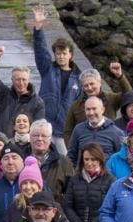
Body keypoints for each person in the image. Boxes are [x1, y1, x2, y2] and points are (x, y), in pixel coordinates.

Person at [31, 4, 80, 155]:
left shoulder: (79, 78)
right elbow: (40, 50)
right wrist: (38, 26)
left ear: (70, 54)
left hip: (63, 132)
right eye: (58, 53)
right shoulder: (48, 69)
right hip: (44, 128)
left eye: (64, 53)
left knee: (64, 165)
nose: (61, 56)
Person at [62, 65, 131, 145]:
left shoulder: (111, 99)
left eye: (92, 84)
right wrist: (73, 150)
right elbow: (68, 131)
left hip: (108, 146)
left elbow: (128, 94)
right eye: (86, 85)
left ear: (100, 82)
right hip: (85, 149)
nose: (89, 88)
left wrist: (120, 76)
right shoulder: (76, 106)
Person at [0, 48, 46, 136]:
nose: (21, 83)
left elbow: (38, 128)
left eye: (24, 79)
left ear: (28, 80)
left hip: (21, 144)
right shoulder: (5, 95)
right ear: (12, 80)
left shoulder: (38, 103)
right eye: (17, 79)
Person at [66, 96, 124, 166]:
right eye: (88, 109)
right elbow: (71, 156)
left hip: (106, 175)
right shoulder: (78, 130)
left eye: (94, 109)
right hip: (83, 175)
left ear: (102, 109)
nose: (91, 113)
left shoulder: (116, 133)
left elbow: (122, 158)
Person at [28, 119, 74, 201]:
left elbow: (70, 193)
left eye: (44, 136)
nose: (40, 139)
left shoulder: (64, 162)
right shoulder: (20, 159)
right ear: (30, 138)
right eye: (35, 135)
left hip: (54, 210)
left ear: (50, 139)